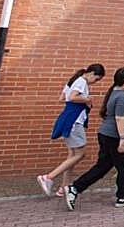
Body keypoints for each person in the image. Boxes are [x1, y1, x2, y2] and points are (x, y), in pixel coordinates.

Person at [65, 67, 124, 210]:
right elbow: (119, 118)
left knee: (102, 166)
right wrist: (123, 139)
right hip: (116, 136)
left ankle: (75, 188)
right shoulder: (122, 96)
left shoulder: (115, 93)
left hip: (106, 135)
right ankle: (123, 196)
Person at [39, 64, 105, 197]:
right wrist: (88, 99)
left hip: (68, 120)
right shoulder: (81, 82)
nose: (96, 82)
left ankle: (64, 187)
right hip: (75, 122)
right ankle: (48, 177)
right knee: (80, 154)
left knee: (72, 156)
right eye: (96, 79)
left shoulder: (73, 81)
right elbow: (72, 97)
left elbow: (62, 98)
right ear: (91, 73)